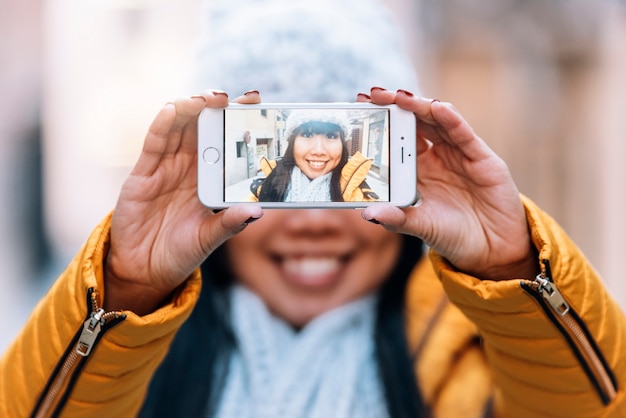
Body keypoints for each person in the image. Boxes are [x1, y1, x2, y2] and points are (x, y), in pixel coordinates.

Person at [1, 87, 625, 418]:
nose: (311, 225)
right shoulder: (138, 359)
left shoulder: (476, 358)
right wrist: (127, 291)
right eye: (277, 183)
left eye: (346, 171)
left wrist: (513, 268)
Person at [251, 108, 381, 202]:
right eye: (307, 135)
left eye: (331, 136)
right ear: (292, 142)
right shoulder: (262, 189)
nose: (318, 150)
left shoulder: (363, 200)